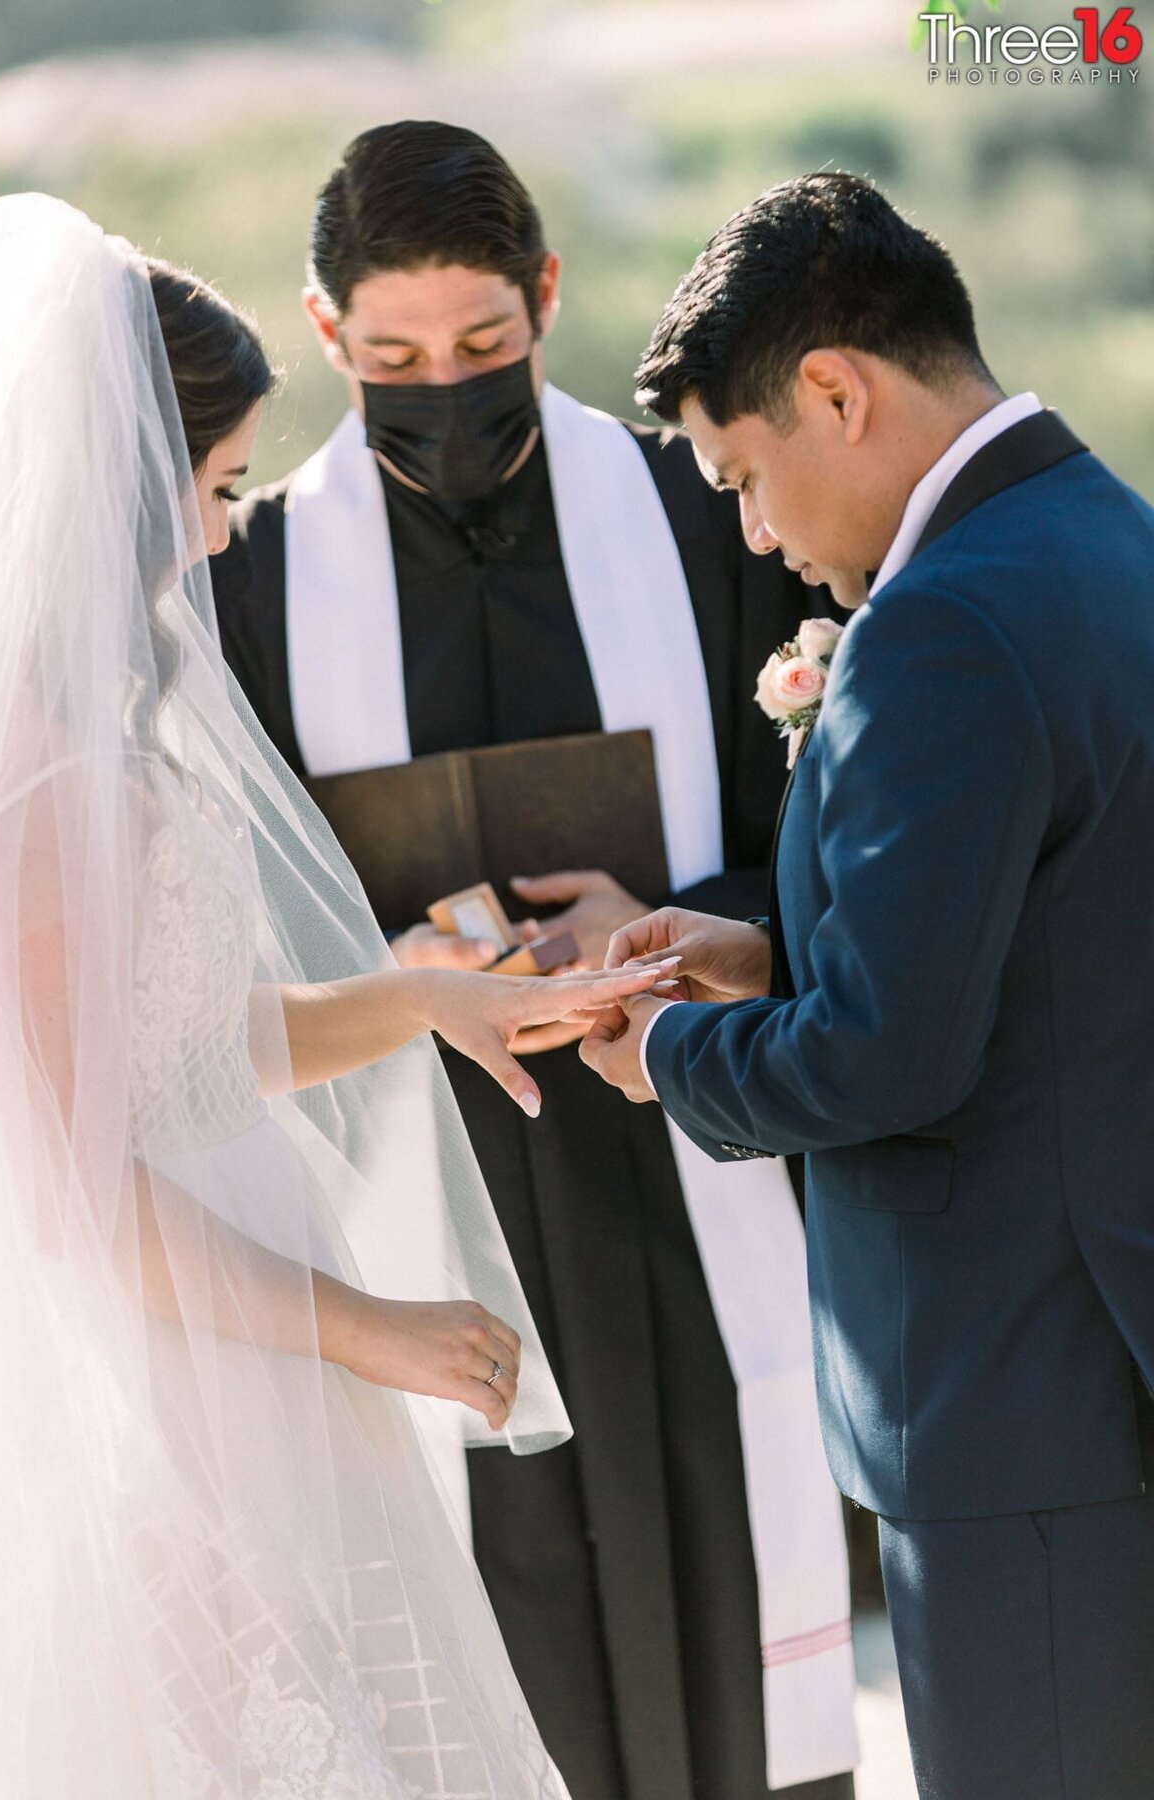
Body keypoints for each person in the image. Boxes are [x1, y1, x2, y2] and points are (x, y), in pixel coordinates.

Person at [0, 191, 674, 1799]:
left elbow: (187, 1055)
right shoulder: (27, 786)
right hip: (168, 1379)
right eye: (208, 490)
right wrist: (369, 1331)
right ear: (112, 491)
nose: (221, 534)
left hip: (248, 1347)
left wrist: (431, 1004)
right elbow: (75, 1185)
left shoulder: (92, 752)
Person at [211, 120, 857, 1800]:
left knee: (739, 1613)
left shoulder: (696, 512)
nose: (446, 387)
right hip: (437, 1191)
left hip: (693, 1152)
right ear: (323, 330)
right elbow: (222, 915)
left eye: (486, 348)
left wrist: (656, 912)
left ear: (549, 297)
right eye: (397, 357)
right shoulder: (261, 578)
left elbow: (829, 826)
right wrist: (406, 955)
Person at [583, 170, 1154, 1800]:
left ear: (836, 390)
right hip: (1096, 1371)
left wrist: (676, 1050)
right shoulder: (1107, 533)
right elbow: (1063, 922)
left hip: (1019, 1405)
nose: (755, 534)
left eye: (745, 478)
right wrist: (776, 946)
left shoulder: (941, 625)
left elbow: (885, 1061)